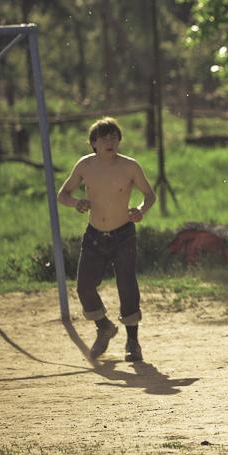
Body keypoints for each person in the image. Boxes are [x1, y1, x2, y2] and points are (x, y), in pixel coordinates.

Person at [57, 117, 156, 362]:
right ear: (94, 143)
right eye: (104, 138)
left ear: (119, 141)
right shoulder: (85, 166)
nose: (110, 142)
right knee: (84, 287)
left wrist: (140, 210)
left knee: (127, 285)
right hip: (94, 236)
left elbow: (149, 195)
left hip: (123, 234)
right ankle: (104, 327)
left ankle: (133, 342)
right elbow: (63, 194)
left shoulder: (130, 166)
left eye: (114, 137)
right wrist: (76, 203)